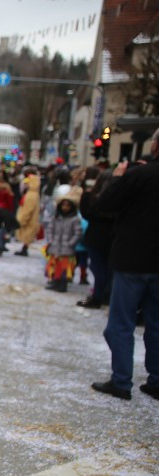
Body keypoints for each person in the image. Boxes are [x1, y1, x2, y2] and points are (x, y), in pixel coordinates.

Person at [91, 131, 159, 402]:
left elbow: (104, 204)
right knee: (156, 324)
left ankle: (121, 380)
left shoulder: (139, 175)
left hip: (132, 258)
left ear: (155, 146)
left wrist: (119, 177)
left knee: (121, 323)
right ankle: (156, 380)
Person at [78, 169, 115, 308]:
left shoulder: (92, 196)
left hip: (96, 236)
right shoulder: (117, 197)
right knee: (108, 269)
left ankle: (99, 296)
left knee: (98, 268)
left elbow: (86, 213)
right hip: (112, 237)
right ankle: (105, 295)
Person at [44, 191, 82, 293]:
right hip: (55, 246)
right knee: (55, 265)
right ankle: (55, 281)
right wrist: (51, 240)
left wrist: (70, 243)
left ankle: (63, 284)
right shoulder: (55, 218)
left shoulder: (75, 219)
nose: (65, 208)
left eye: (68, 206)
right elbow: (50, 229)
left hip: (67, 248)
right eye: (63, 205)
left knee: (64, 268)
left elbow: (77, 233)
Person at [14, 166, 41, 256]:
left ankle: (24, 249)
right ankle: (24, 248)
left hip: (29, 219)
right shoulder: (34, 193)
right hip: (31, 219)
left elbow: (28, 209)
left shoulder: (31, 195)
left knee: (27, 233)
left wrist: (21, 219)